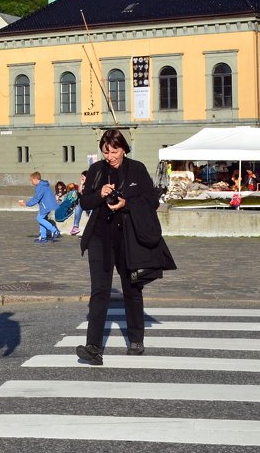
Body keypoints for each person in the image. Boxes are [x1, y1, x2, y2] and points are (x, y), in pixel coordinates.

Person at [76, 128, 174, 365]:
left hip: (128, 238)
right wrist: (99, 193)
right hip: (100, 237)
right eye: (105, 151)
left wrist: (125, 203)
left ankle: (136, 339)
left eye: (114, 151)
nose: (110, 156)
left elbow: (151, 200)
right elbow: (85, 201)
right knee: (99, 290)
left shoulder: (137, 169)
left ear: (124, 149)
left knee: (131, 288)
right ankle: (94, 347)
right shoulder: (96, 170)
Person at [19, 171, 60, 242]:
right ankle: (43, 237)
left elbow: (36, 198)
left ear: (35, 179)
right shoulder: (43, 185)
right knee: (41, 219)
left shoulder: (40, 186)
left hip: (46, 206)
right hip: (46, 205)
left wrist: (26, 204)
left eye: (31, 180)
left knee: (39, 218)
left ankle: (55, 231)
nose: (31, 182)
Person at [71, 169, 88, 235]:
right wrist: (81, 183)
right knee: (78, 208)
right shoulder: (82, 184)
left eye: (83, 176)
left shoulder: (91, 184)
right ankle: (75, 227)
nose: (81, 178)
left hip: (90, 203)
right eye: (81, 176)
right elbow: (79, 191)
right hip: (83, 203)